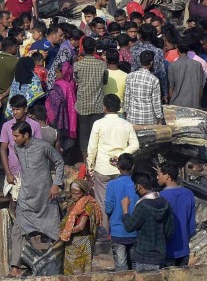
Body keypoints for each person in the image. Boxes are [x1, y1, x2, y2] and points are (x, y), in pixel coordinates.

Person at [9, 121, 64, 277]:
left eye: (16, 136)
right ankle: (15, 266)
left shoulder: (43, 146)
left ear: (26, 135)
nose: (14, 139)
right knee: (18, 230)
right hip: (26, 197)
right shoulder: (17, 148)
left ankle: (56, 267)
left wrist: (56, 184)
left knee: (53, 233)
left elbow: (59, 162)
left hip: (46, 198)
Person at [87, 95, 139, 229]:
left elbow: (92, 147)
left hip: (102, 168)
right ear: (118, 108)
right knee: (121, 200)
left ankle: (105, 232)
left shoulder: (98, 124)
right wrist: (120, 155)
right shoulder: (126, 124)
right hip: (121, 169)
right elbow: (135, 145)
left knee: (103, 202)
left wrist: (90, 165)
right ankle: (121, 228)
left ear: (105, 107)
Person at [119, 171, 174, 271]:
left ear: (139, 187)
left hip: (144, 256)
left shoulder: (143, 206)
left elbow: (129, 226)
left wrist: (125, 210)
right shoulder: (164, 202)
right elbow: (169, 230)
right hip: (160, 254)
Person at [0, 95, 41, 200]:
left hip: (30, 172)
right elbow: (3, 149)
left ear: (25, 109)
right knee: (13, 201)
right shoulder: (7, 126)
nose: (15, 112)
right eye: (13, 109)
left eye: (18, 109)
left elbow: (38, 150)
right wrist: (8, 173)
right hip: (13, 171)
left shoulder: (34, 125)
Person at [75, 37, 109, 159]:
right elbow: (105, 82)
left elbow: (76, 80)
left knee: (84, 133)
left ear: (83, 48)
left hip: (83, 104)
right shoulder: (102, 65)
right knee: (96, 134)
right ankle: (96, 159)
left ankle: (86, 161)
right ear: (94, 48)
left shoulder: (77, 65)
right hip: (97, 103)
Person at [157, 163, 196, 267]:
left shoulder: (160, 197)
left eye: (158, 174)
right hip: (183, 248)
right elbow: (192, 226)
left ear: (166, 176)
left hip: (167, 249)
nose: (157, 177)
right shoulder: (188, 194)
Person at [61, 181, 99, 274]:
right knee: (70, 271)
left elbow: (81, 227)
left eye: (77, 193)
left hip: (82, 242)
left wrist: (65, 232)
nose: (74, 195)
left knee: (80, 272)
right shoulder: (73, 204)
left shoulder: (87, 205)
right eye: (72, 193)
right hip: (71, 241)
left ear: (84, 192)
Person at [124, 50, 163, 125]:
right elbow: (156, 102)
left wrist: (126, 112)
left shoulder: (130, 76)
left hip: (133, 117)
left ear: (140, 61)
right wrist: (159, 117)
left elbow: (126, 97)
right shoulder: (154, 80)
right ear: (151, 63)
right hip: (149, 119)